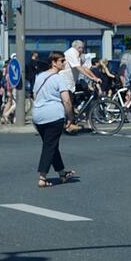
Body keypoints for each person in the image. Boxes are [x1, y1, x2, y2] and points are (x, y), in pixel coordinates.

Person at [30, 51, 77, 187]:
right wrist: (70, 117)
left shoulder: (39, 76)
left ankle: (62, 173)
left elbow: (34, 95)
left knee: (51, 144)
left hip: (38, 116)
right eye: (62, 60)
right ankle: (42, 177)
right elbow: (66, 100)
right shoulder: (59, 78)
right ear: (53, 62)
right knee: (49, 146)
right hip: (54, 115)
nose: (64, 63)